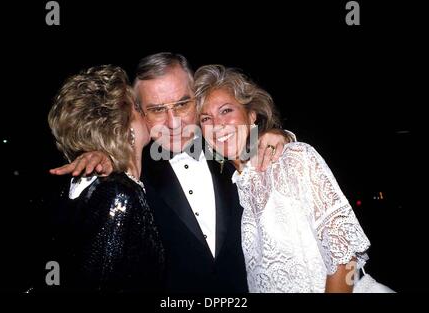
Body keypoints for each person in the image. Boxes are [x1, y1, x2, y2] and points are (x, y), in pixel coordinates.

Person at [50, 53, 293, 292]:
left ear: (197, 100)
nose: (173, 123)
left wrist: (280, 136)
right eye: (157, 109)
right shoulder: (129, 174)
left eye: (181, 104)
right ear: (140, 112)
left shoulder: (228, 145)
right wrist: (101, 154)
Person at [194, 64, 371, 293]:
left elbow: (345, 259)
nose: (218, 125)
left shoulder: (294, 159)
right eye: (206, 118)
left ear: (251, 115)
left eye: (226, 111)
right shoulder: (233, 187)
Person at [47, 65, 165, 292]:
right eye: (138, 108)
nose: (147, 115)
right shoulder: (118, 195)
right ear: (125, 127)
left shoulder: (87, 187)